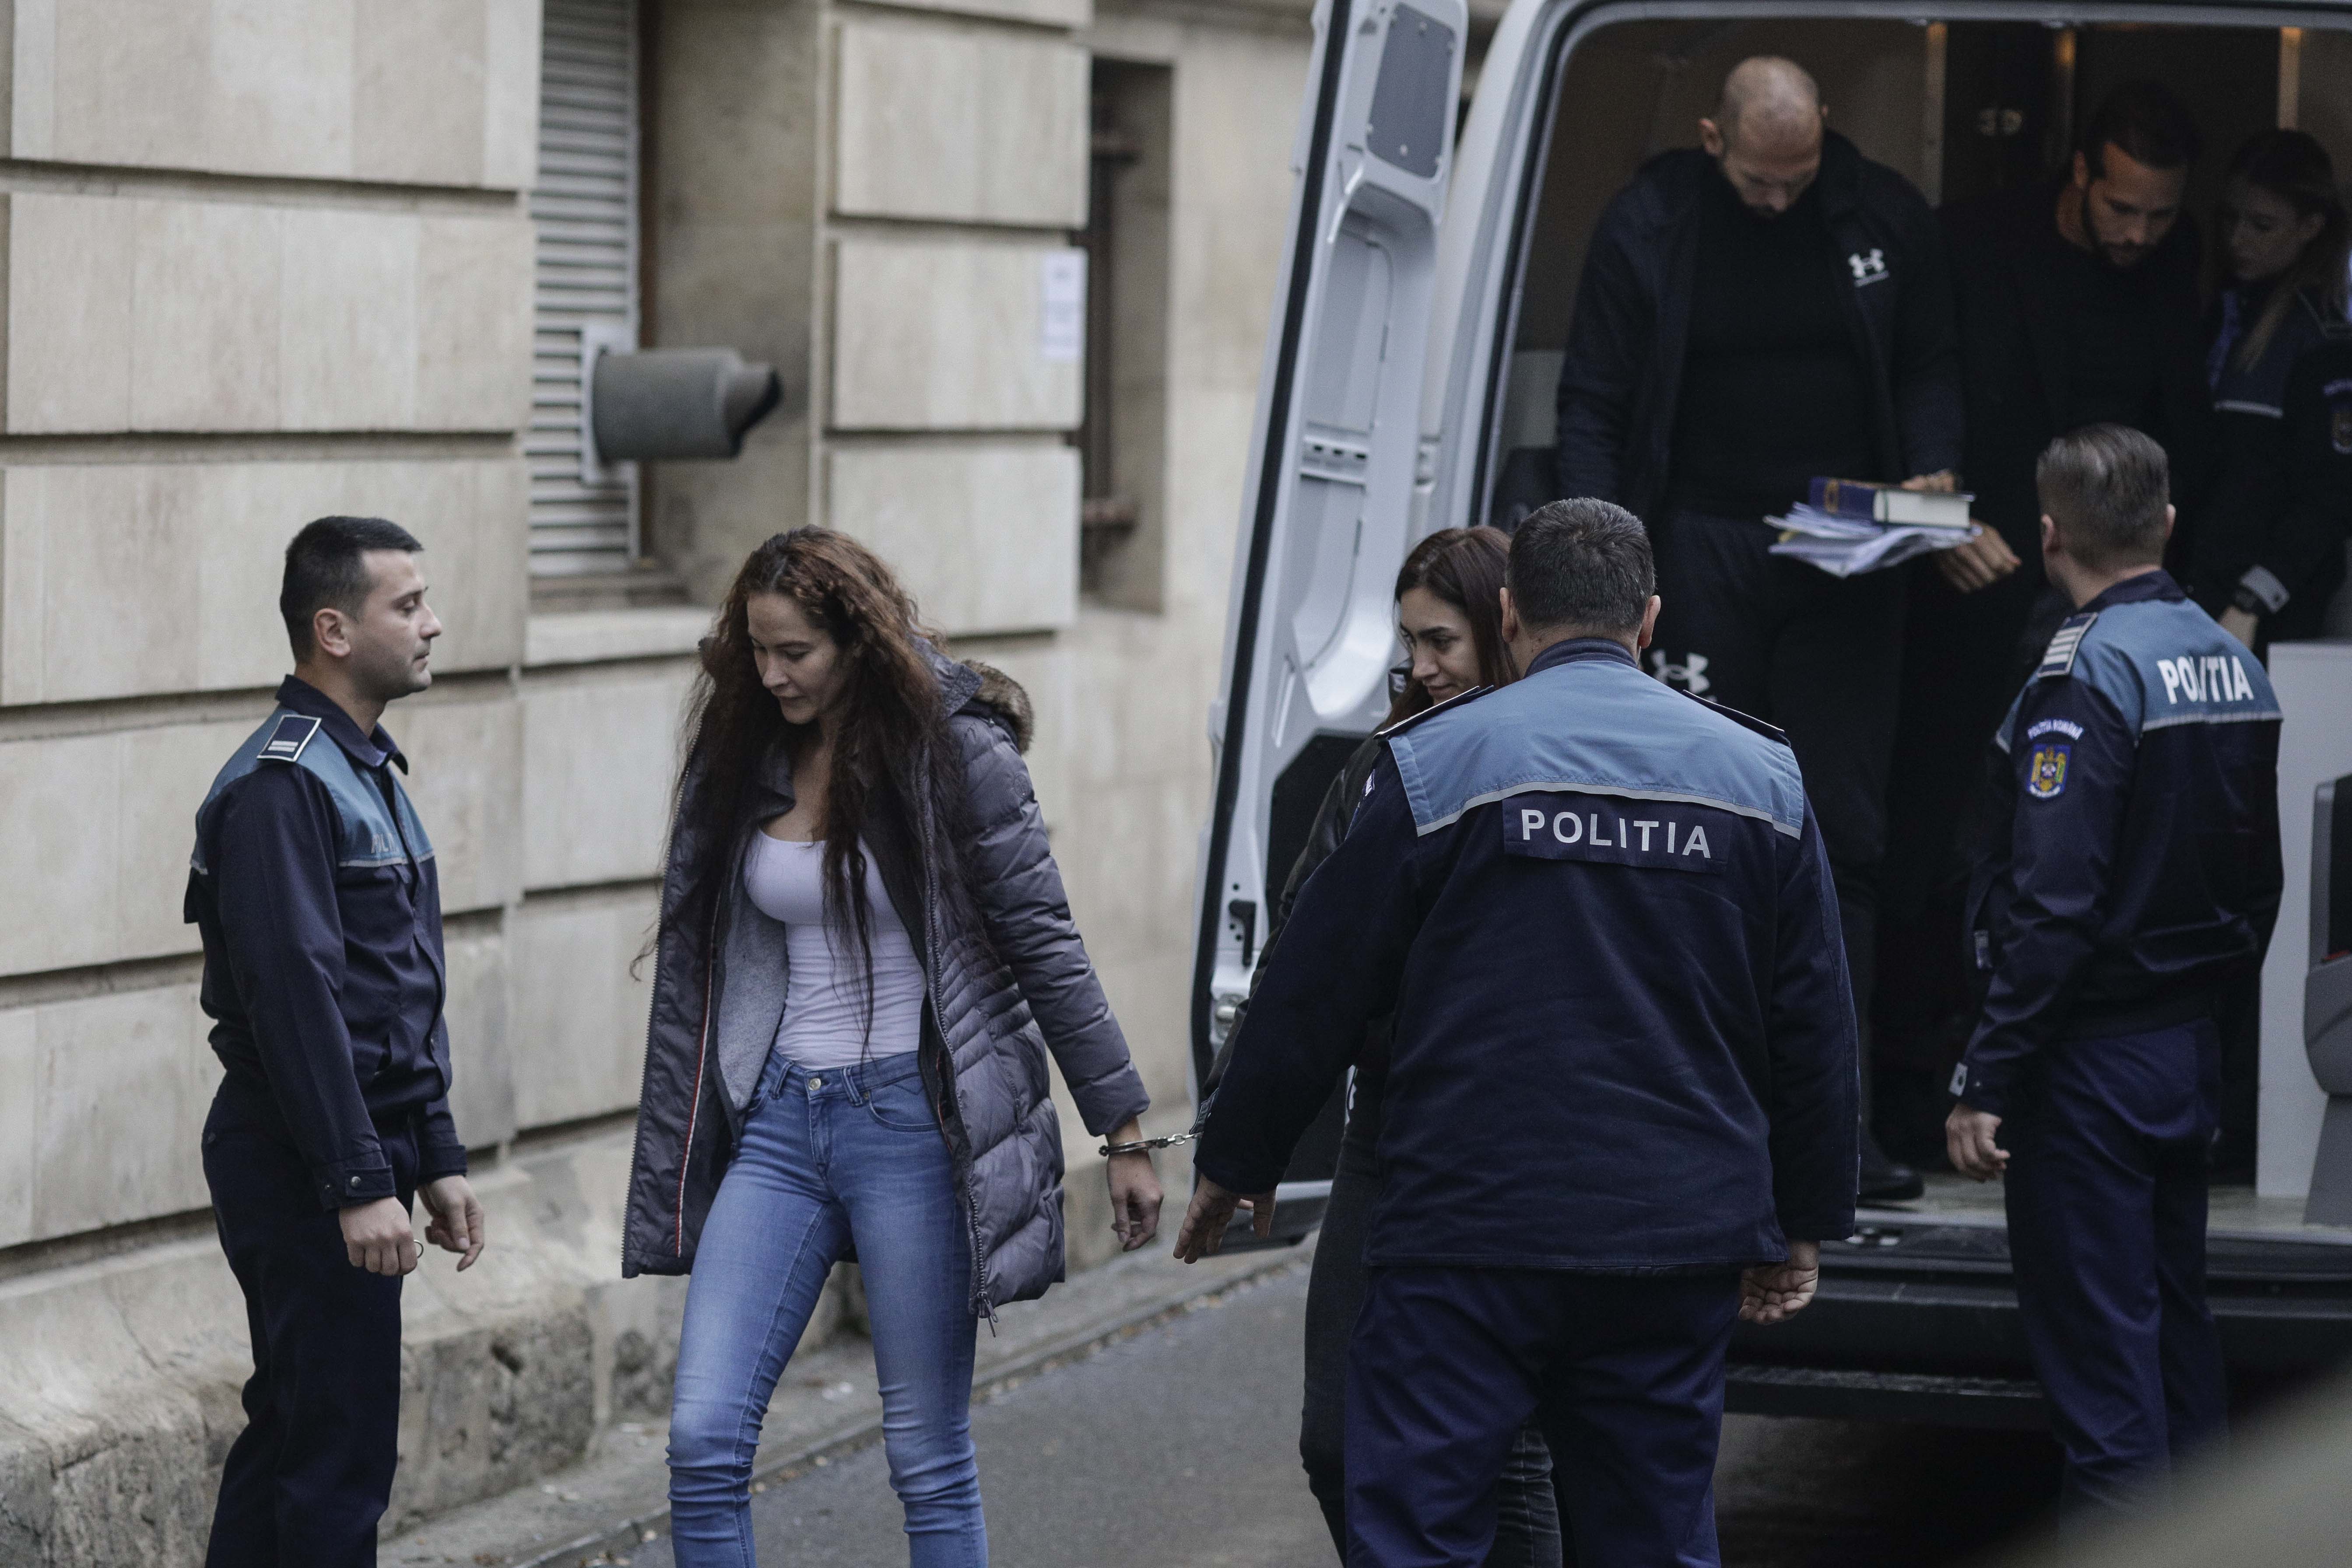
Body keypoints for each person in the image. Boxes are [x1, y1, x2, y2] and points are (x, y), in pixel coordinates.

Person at [1178, 500, 1859, 1567]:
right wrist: (1803, 1216)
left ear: (1508, 613)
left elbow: (1315, 980)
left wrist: (1237, 1156)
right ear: (1647, 617)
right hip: (1671, 1231)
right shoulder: (1759, 776)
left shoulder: (1432, 765)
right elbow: (1810, 1020)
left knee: (1420, 1533)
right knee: (1650, 1536)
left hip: (1467, 1229)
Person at [619, 528, 1162, 1566]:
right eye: (756, 650)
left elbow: (1044, 941)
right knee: (702, 1439)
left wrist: (1123, 1128)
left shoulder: (954, 750)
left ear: (857, 641)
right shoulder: (746, 748)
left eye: (795, 652)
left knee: (924, 1452)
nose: (771, 674)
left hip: (911, 1125)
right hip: (781, 1125)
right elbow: (701, 969)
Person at [1555, 55, 1958, 1203]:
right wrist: (1597, 570)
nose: (1779, 199)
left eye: (1798, 175)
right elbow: (1591, 401)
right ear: (1709, 138)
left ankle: (1841, 1124)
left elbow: (1930, 361)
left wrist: (1933, 464)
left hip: (1846, 549)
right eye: (1756, 181)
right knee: (1691, 828)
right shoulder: (1648, 223)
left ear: (1823, 131)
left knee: (1842, 836)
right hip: (1698, 548)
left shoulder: (1881, 215)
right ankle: (1688, 1117)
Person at [1201, 527, 1557, 1565]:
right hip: (1389, 1136)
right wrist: (1242, 1134)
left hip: (1519, 1140)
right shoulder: (1382, 764)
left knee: (1505, 1450)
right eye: (1409, 643)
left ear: (1501, 625)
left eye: (1440, 640)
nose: (1421, 667)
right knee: (1338, 1440)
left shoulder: (1555, 758)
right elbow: (1300, 964)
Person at [1946, 426, 2282, 1516]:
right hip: (2182, 1049)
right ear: (2167, 525)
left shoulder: (2083, 672)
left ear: (2046, 537)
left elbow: (2052, 905)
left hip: (2084, 1066)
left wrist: (1987, 1075)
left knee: (2103, 1390)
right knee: (2176, 1336)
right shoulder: (2230, 660)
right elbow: (2261, 885)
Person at [1878, 81, 2212, 1160]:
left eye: (2159, 214)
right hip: (1976, 583)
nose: (2137, 233)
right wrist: (1937, 519)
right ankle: (1910, 1092)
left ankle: (2032, 1091)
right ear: (2078, 174)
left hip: (2113, 589)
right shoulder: (1972, 244)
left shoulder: (2172, 262)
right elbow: (1912, 388)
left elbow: (2182, 422)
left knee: (2078, 851)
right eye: (2121, 208)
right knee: (1943, 843)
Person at [188, 516, 488, 1568]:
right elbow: (295, 1003)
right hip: (302, 1151)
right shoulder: (283, 785)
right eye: (407, 604)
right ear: (333, 629)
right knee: (334, 1458)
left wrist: (434, 1150)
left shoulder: (361, 770)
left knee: (299, 1434)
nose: (432, 623)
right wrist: (358, 1178)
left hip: (346, 1141)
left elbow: (392, 992)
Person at [2192, 129, 2352, 656]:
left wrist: (2253, 601)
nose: (2238, 239)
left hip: (2266, 612)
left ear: (2310, 227)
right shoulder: (2219, 313)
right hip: (2198, 588)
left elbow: (2330, 497)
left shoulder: (2318, 341)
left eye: (2262, 225)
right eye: (2229, 219)